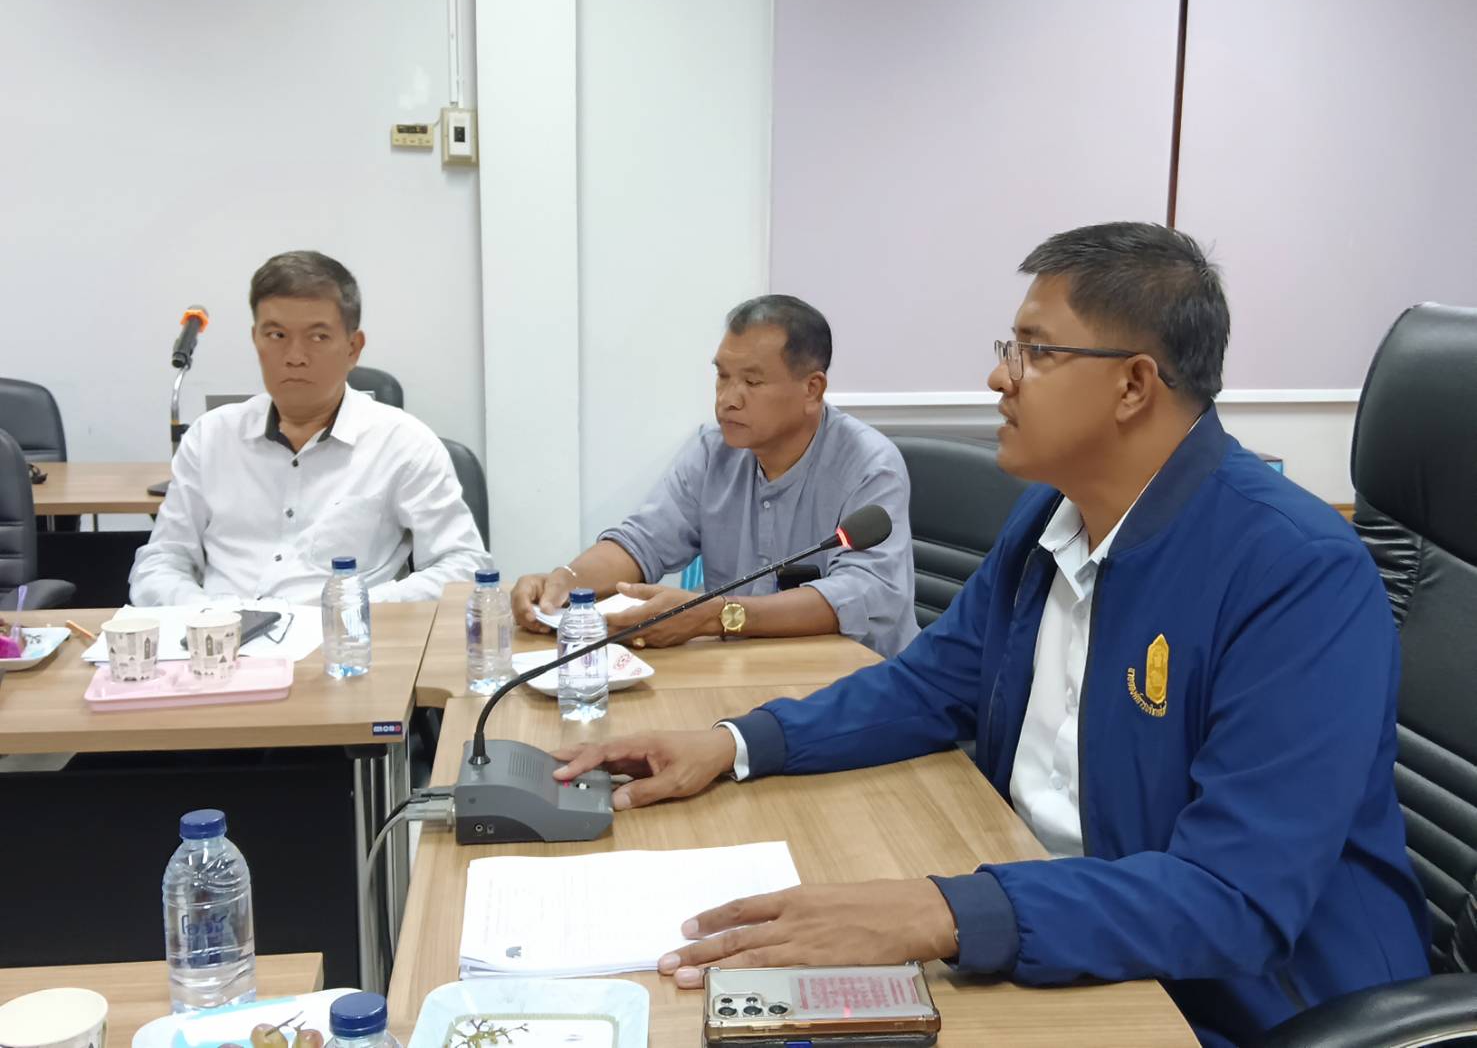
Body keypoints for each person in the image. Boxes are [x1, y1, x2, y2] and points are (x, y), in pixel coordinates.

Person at [550, 224, 1430, 1047]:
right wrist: (733, 743)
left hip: (1241, 1004)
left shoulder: (1293, 571)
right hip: (1054, 929)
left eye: (1033, 352)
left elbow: (1233, 896)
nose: (998, 378)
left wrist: (939, 913)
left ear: (1132, 385)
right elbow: (926, 685)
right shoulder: (1050, 518)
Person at [511, 295, 918, 658]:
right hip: (744, 668)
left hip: (854, 682)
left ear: (812, 389)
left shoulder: (869, 465)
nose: (727, 399)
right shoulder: (713, 450)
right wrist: (566, 582)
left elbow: (862, 593)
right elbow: (643, 542)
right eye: (722, 376)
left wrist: (716, 616)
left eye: (751, 382)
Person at [130, 250, 486, 605]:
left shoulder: (403, 444)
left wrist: (356, 608)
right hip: (221, 634)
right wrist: (210, 616)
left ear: (353, 348)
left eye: (317, 337)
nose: (295, 356)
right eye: (277, 335)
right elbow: (162, 561)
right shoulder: (210, 437)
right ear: (256, 339)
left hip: (344, 634)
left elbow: (463, 566)